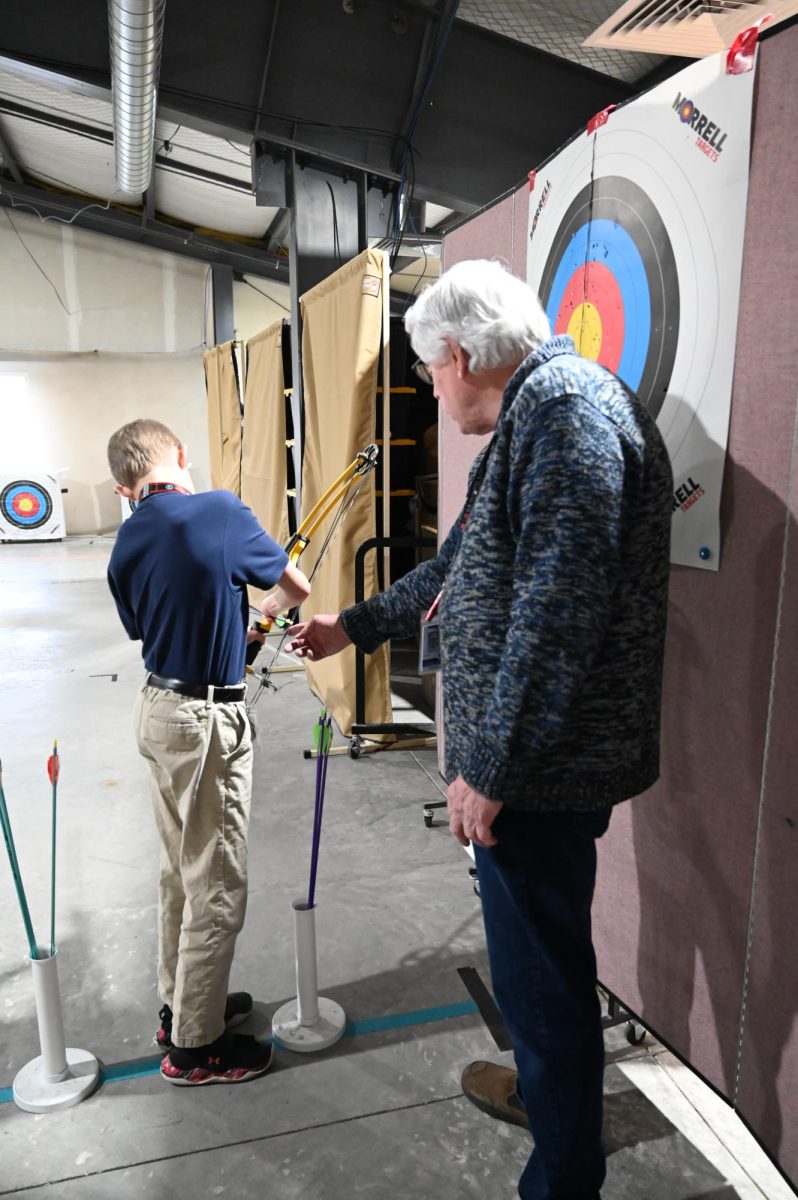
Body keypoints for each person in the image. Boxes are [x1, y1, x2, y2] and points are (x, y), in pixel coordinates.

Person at [286, 260, 673, 1199]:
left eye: (428, 372)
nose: (431, 390)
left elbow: (555, 615)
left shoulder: (567, 413)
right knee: (537, 969)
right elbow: (461, 566)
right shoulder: (536, 415)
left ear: (459, 354)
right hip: (537, 762)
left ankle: (562, 1175)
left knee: (542, 983)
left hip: (540, 772)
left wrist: (490, 769)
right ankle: (553, 1103)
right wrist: (354, 626)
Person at [106, 419, 310, 1087]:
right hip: (203, 722)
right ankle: (197, 1046)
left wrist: (240, 631)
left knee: (180, 870)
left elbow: (154, 623)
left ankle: (183, 1003)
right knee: (217, 883)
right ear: (181, 458)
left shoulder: (128, 539)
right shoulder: (218, 509)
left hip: (159, 711)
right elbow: (296, 586)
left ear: (124, 487)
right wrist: (265, 618)